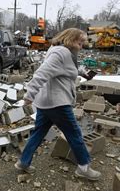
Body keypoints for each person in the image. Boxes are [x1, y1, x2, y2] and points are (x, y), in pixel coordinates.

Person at [14, 28, 102, 181]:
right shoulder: (61, 53)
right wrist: (29, 94)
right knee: (74, 134)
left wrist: (82, 72)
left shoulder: (60, 51)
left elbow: (65, 69)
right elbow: (42, 73)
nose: (81, 46)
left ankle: (23, 162)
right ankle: (84, 167)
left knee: (38, 133)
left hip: (46, 103)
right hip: (57, 103)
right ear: (71, 39)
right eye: (80, 42)